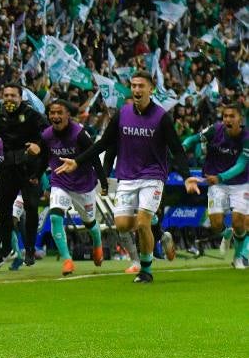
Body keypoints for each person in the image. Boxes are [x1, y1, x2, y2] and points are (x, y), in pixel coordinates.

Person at [56, 71, 200, 283]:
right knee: (123, 225)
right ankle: (159, 231)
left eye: (141, 86)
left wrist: (187, 176)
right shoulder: (122, 114)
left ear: (151, 89)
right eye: (133, 86)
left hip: (153, 175)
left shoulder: (161, 117)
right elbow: (104, 143)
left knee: (142, 223)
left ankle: (146, 270)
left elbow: (177, 150)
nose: (136, 90)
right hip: (127, 176)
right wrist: (78, 161)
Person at [30, 100, 109, 276]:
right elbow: (44, 158)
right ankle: (67, 260)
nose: (55, 116)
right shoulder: (47, 135)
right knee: (56, 217)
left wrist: (103, 182)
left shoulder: (79, 134)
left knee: (90, 223)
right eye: (52, 113)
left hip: (83, 185)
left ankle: (97, 244)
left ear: (68, 115)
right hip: (60, 181)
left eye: (60, 113)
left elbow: (94, 157)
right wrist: (36, 174)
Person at [0, 84, 48, 268]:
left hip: (29, 167)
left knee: (32, 207)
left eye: (12, 95)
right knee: (2, 208)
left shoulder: (32, 115)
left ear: (20, 97)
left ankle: (30, 249)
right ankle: (6, 248)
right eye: (6, 95)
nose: (8, 99)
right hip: (8, 167)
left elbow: (47, 135)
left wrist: (38, 145)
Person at [182, 104, 248, 268]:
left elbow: (241, 164)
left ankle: (238, 258)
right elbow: (193, 139)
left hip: (239, 183)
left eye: (232, 116)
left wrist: (220, 177)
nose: (227, 119)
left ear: (240, 119)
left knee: (239, 222)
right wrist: (182, 148)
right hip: (217, 183)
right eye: (225, 116)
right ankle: (227, 232)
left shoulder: (246, 138)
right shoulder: (215, 130)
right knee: (216, 223)